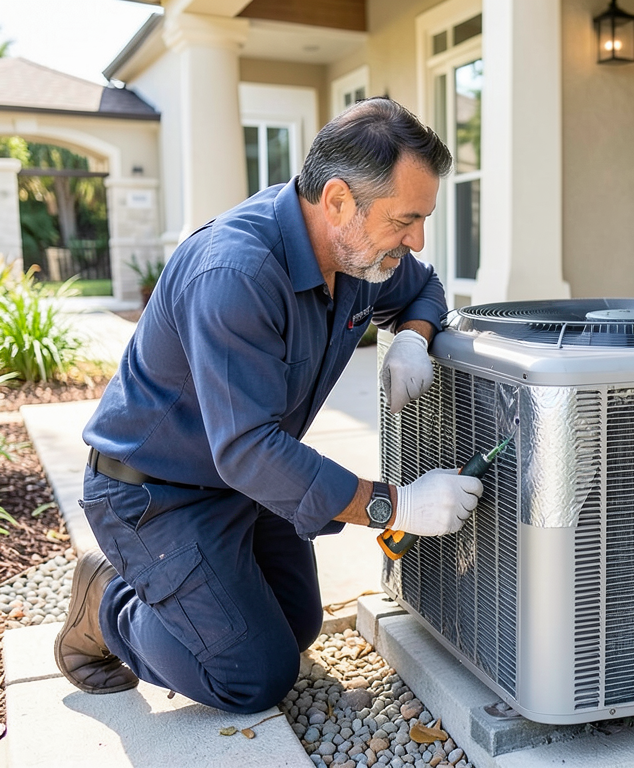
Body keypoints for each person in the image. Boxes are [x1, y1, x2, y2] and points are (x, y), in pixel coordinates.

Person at [53, 98, 484, 714]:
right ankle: (106, 604)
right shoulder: (237, 273)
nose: (415, 240)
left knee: (298, 626)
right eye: (405, 220)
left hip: (242, 484)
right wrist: (397, 504)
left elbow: (426, 285)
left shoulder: (360, 250)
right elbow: (250, 449)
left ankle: (188, 595)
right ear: (338, 201)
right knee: (253, 675)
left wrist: (413, 339)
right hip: (156, 497)